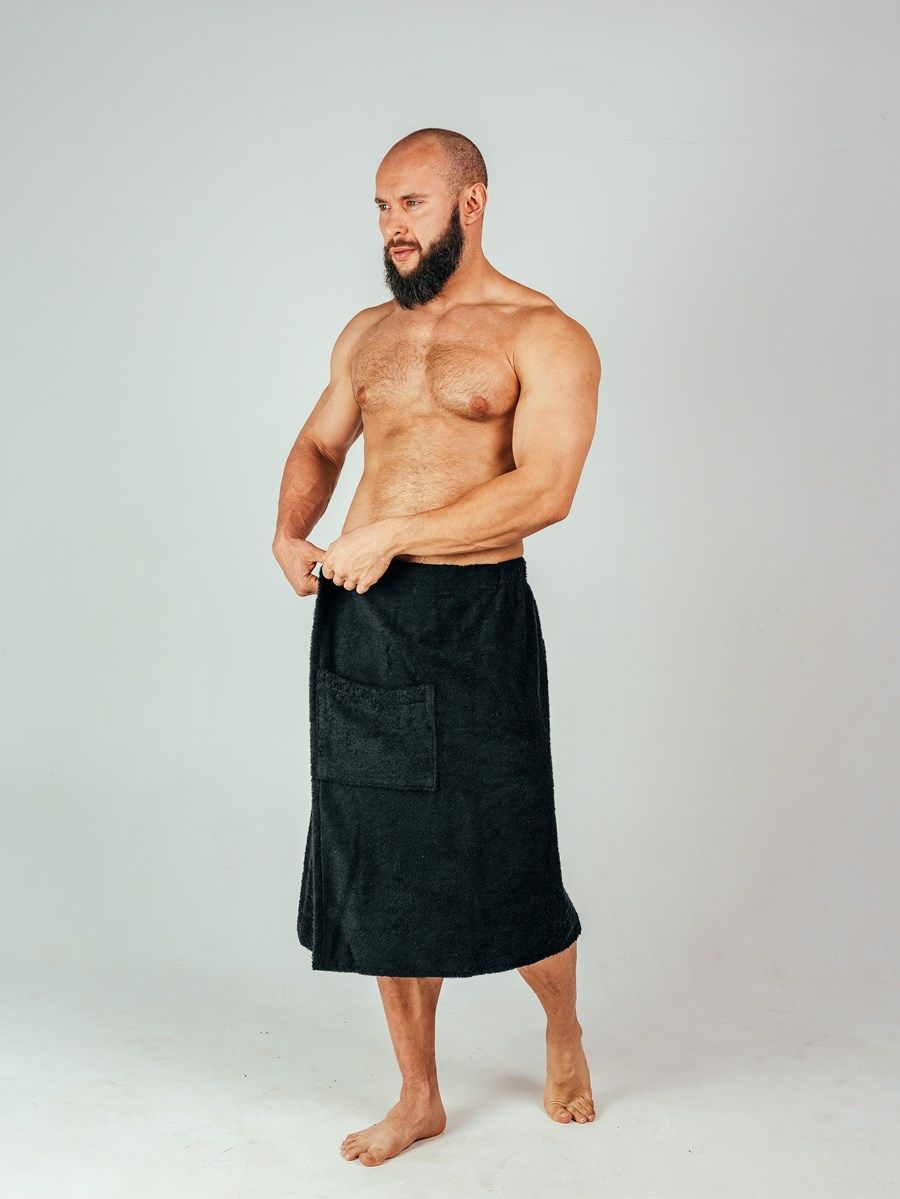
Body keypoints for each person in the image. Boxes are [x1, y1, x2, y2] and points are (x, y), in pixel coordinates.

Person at [272, 127, 601, 1167]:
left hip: (474, 615)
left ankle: (563, 1027)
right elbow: (322, 441)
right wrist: (288, 529)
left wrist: (396, 533)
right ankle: (418, 1094)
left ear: (471, 203)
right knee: (379, 858)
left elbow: (546, 489)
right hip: (365, 617)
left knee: (511, 846)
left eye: (411, 203)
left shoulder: (544, 333)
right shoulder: (368, 332)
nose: (392, 226)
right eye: (381, 206)